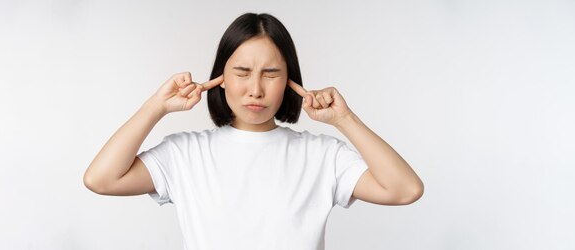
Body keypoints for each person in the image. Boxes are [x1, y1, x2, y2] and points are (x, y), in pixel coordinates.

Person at [83, 12, 423, 250]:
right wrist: (155, 106)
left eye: (271, 73)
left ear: (291, 80)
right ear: (221, 78)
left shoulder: (322, 155)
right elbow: (101, 179)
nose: (255, 89)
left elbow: (405, 189)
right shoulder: (185, 154)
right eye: (242, 72)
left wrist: (345, 120)